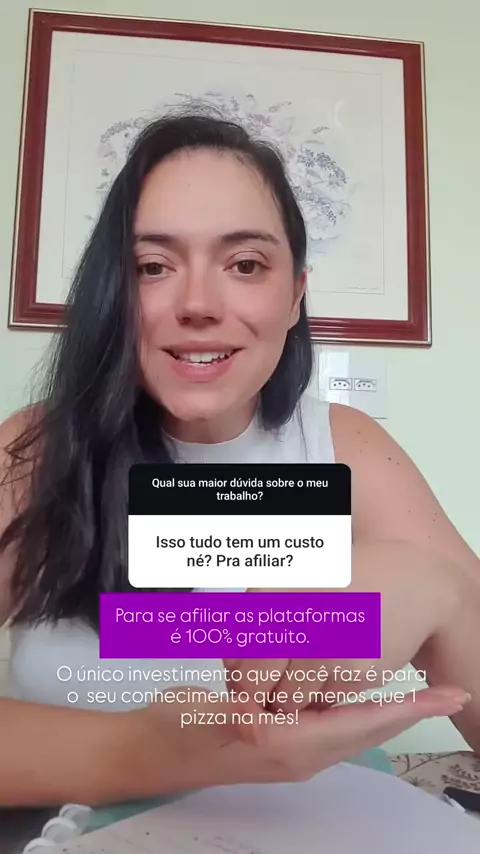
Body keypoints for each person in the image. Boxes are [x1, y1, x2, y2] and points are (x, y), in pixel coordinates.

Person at [0, 113, 479, 808]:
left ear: (295, 295)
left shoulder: (349, 451)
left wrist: (441, 592)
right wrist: (138, 752)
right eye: (153, 267)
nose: (198, 304)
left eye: (246, 265)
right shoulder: (36, 451)